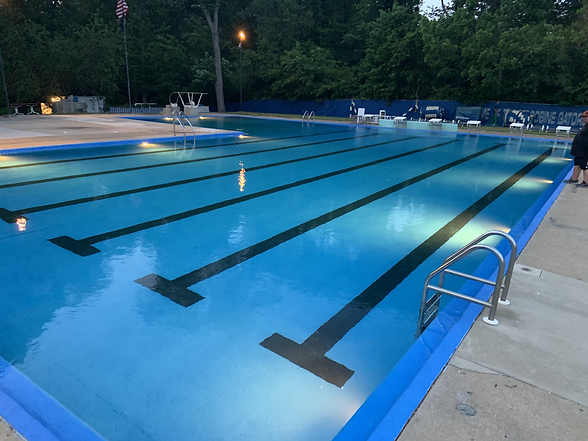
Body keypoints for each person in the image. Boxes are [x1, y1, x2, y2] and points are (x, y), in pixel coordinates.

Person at [564, 110, 588, 187]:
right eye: (583, 117)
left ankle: (586, 182)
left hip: (584, 151)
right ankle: (574, 179)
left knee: (585, 166)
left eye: (585, 117)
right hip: (578, 150)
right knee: (577, 164)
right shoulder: (586, 126)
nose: (583, 118)